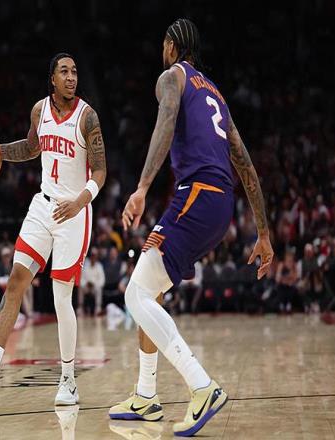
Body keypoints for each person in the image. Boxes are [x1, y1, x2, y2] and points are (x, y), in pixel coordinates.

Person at [109, 18, 274, 437]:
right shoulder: (215, 92)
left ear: (171, 46)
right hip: (221, 204)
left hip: (197, 195)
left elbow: (164, 125)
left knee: (135, 295)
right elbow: (246, 166)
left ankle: (202, 386)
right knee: (150, 290)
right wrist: (264, 233)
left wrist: (142, 187)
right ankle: (146, 396)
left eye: (163, 43)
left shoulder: (172, 77)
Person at [0, 53, 107, 405]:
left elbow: (100, 170)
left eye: (75, 71)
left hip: (74, 211)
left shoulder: (87, 116)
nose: (71, 77)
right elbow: (31, 147)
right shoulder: (39, 111)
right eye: (64, 72)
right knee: (15, 280)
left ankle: (68, 381)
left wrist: (81, 201)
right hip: (43, 205)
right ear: (52, 78)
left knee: (60, 297)